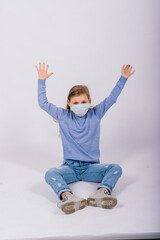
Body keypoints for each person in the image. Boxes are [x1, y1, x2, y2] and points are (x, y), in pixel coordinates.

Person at [36, 62, 135, 214]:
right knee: (50, 173)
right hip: (70, 168)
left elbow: (111, 98)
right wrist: (41, 80)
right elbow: (43, 103)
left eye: (83, 102)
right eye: (75, 103)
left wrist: (123, 78)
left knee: (116, 168)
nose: (80, 105)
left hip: (91, 168)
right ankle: (68, 197)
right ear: (69, 103)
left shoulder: (96, 113)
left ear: (89, 102)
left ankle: (101, 193)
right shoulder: (63, 116)